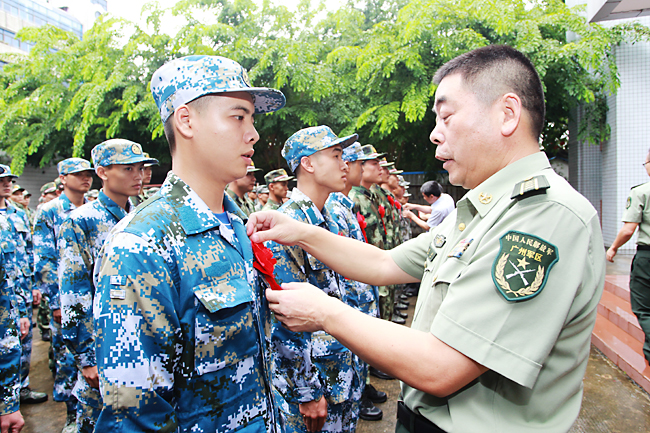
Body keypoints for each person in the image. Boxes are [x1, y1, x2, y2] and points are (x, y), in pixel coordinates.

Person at [248, 45, 606, 433]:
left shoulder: (541, 215)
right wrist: (301, 231)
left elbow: (442, 367)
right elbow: (384, 263)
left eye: (447, 117)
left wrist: (325, 313)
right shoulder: (489, 209)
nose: (435, 134)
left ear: (507, 114)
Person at [93, 55, 285, 432]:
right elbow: (136, 416)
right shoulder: (141, 244)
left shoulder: (238, 227)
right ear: (186, 121)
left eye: (252, 119)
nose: (253, 135)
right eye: (238, 116)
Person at [265, 125, 360, 433]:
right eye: (335, 156)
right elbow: (283, 318)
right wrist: (306, 391)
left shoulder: (326, 220)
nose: (344, 165)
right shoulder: (286, 226)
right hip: (314, 382)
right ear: (307, 163)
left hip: (340, 369)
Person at [58, 139, 157, 433]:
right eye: (128, 169)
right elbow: (74, 294)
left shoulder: (147, 215)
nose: (138, 176)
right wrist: (87, 358)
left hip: (147, 340)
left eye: (140, 168)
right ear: (102, 172)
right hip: (105, 346)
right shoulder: (81, 222)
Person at [324, 142, 386, 422]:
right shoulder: (334, 208)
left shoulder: (344, 204)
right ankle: (355, 397)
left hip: (361, 293)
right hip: (350, 297)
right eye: (353, 161)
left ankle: (359, 392)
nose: (353, 167)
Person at [33, 157, 94, 432]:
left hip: (94, 298)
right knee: (69, 360)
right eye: (78, 174)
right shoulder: (49, 212)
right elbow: (44, 260)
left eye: (88, 173)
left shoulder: (93, 210)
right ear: (63, 178)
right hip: (67, 300)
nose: (86, 178)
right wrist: (56, 302)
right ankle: (72, 416)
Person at [0, 167, 48, 409]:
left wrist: (34, 285)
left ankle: (21, 387)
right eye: (3, 180)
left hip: (22, 290)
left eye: (9, 180)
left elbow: (30, 253)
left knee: (24, 343)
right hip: (4, 297)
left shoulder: (17, 215)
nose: (7, 184)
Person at [607, 149, 650, 364]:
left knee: (643, 307)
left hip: (647, 258)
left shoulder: (642, 192)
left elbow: (628, 229)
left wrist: (613, 248)